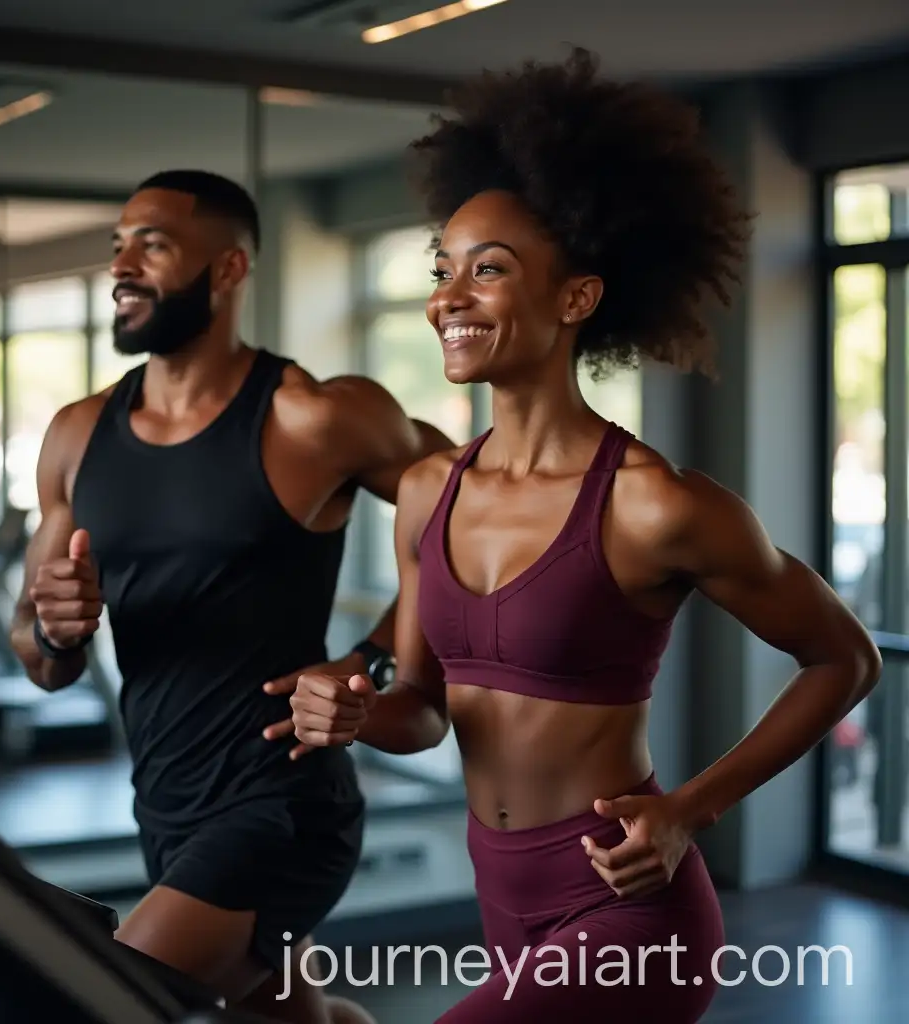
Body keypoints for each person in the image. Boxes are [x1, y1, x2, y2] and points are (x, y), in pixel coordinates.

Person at [277, 51, 883, 1022]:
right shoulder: (428, 492)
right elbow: (424, 709)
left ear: (575, 299)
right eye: (442, 270)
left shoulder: (655, 505)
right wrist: (353, 714)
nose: (448, 297)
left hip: (629, 906)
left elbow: (844, 658)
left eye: (488, 269)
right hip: (501, 895)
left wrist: (688, 810)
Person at [7, 169, 452, 1024]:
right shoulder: (76, 435)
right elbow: (37, 655)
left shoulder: (314, 418)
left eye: (153, 246)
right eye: (119, 247)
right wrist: (57, 631)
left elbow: (471, 515)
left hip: (283, 804)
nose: (122, 266)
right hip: (165, 801)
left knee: (111, 1002)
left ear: (229, 269)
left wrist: (372, 659)